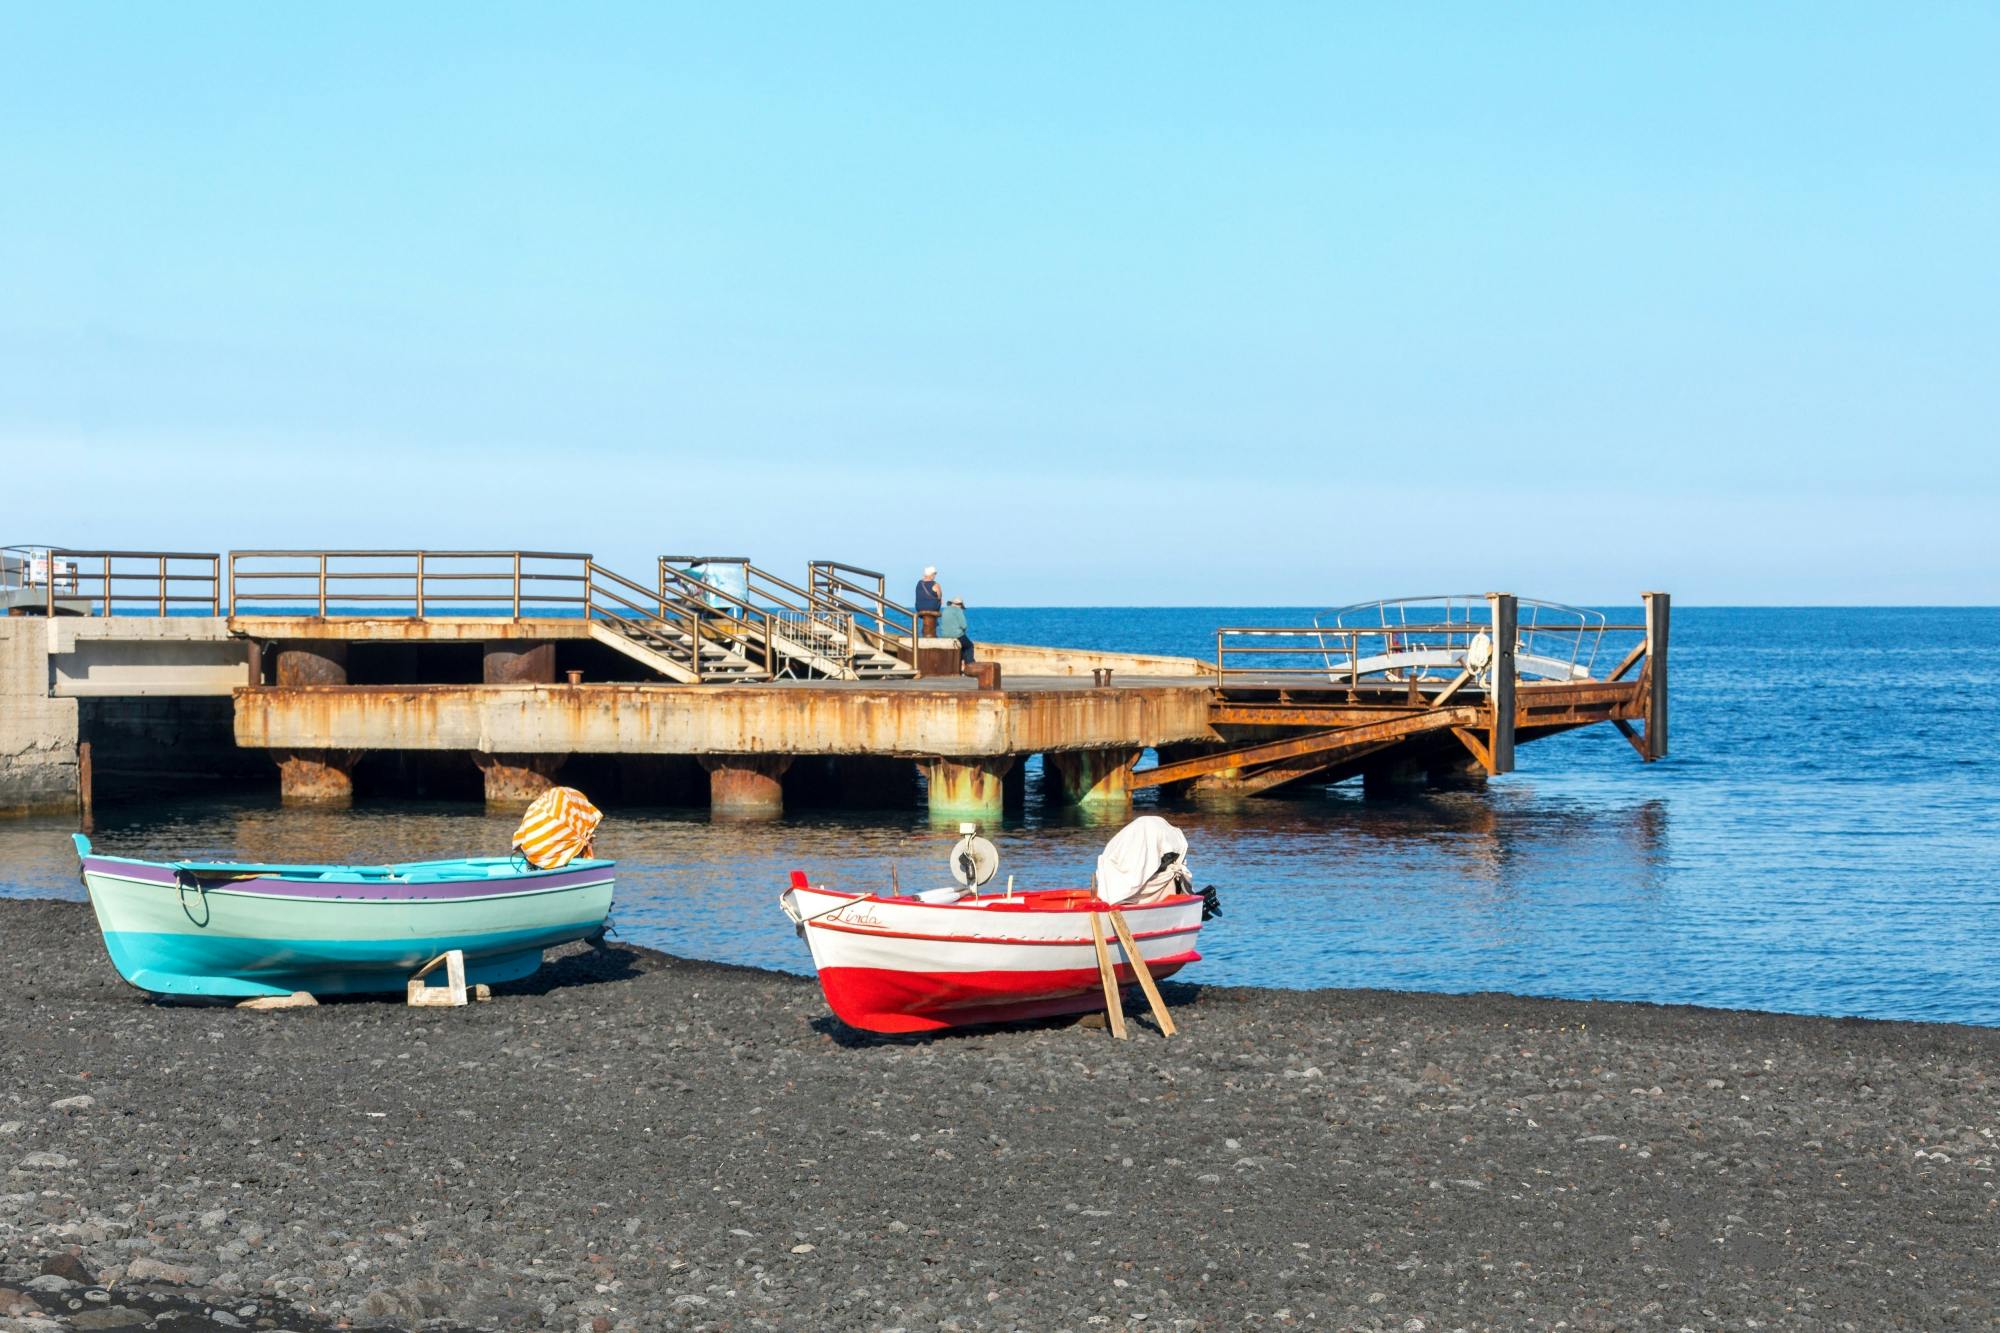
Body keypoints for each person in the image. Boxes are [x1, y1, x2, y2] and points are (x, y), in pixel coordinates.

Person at [936, 596, 974, 666]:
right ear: (960, 605)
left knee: (961, 647)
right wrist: (963, 631)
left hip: (945, 636)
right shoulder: (958, 610)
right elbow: (964, 625)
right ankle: (969, 665)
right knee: (969, 646)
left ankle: (960, 663)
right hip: (957, 636)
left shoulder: (945, 610)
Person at [914, 565, 942, 636]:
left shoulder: (919, 583)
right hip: (932, 607)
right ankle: (933, 628)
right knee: (939, 601)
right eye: (934, 574)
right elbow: (939, 596)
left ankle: (926, 630)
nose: (935, 576)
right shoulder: (935, 584)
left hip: (919, 608)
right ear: (931, 575)